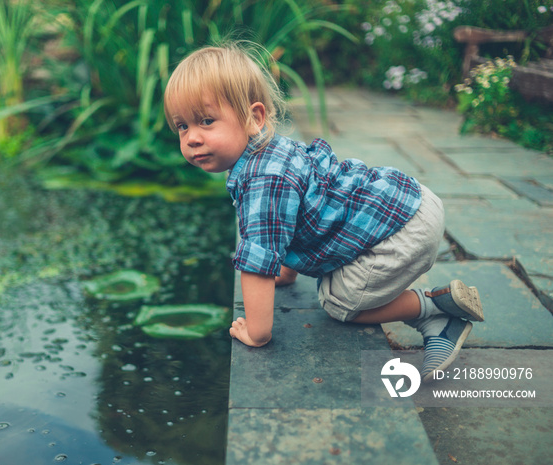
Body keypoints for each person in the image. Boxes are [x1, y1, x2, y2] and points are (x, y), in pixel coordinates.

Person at [163, 42, 484, 382]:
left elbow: (259, 257)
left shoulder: (263, 178)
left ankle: (434, 312)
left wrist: (258, 332)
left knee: (338, 302)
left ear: (254, 117)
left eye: (206, 121)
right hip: (408, 202)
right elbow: (283, 226)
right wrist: (285, 273)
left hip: (403, 230)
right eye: (183, 126)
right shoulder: (267, 152)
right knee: (335, 284)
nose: (192, 138)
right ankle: (435, 310)